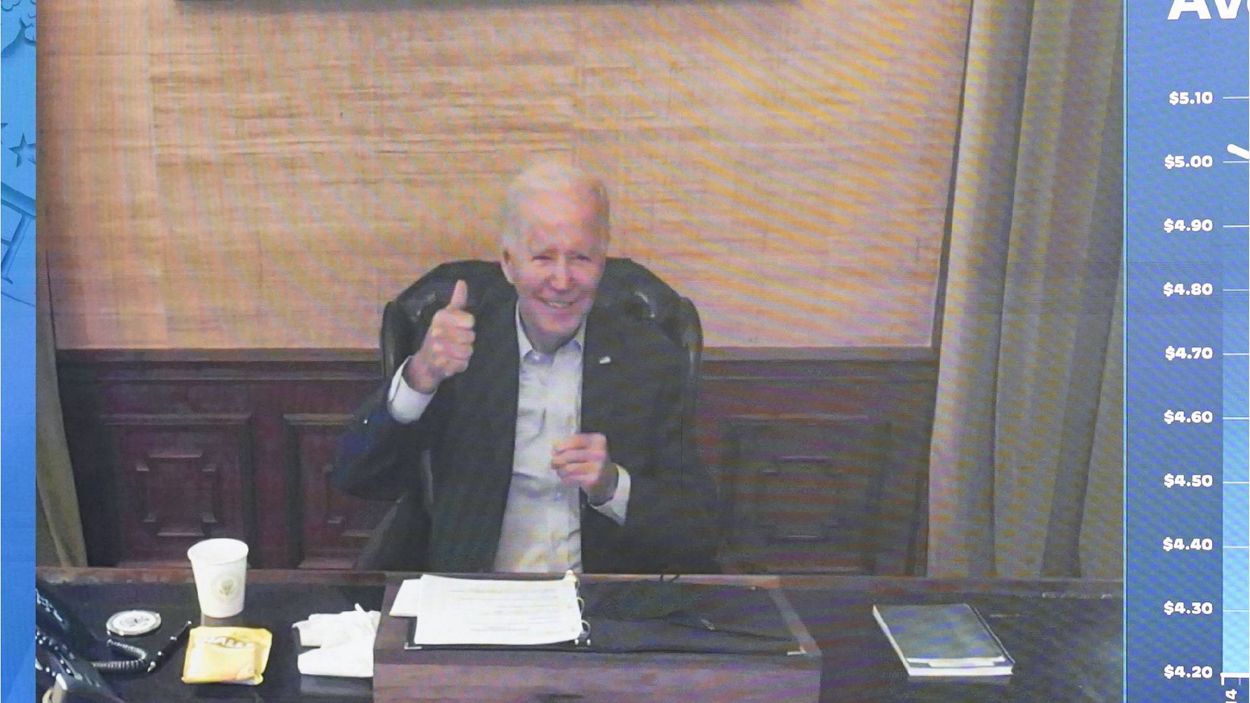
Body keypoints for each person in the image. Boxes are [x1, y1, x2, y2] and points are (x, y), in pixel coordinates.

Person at [332, 161, 718, 574]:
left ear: (602, 262)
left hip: (599, 598)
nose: (562, 280)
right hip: (477, 592)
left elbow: (698, 532)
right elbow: (357, 476)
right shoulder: (459, 349)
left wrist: (612, 485)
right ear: (508, 263)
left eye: (581, 258)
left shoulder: (648, 358)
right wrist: (420, 377)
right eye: (543, 257)